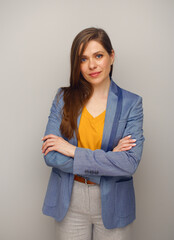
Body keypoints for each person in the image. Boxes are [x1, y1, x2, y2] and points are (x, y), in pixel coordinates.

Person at [41, 27, 144, 240]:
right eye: (83, 59)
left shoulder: (132, 104)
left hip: (113, 202)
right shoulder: (63, 98)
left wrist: (72, 150)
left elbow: (129, 163)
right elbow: (51, 154)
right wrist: (109, 159)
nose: (92, 66)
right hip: (69, 200)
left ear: (111, 56)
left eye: (98, 56)